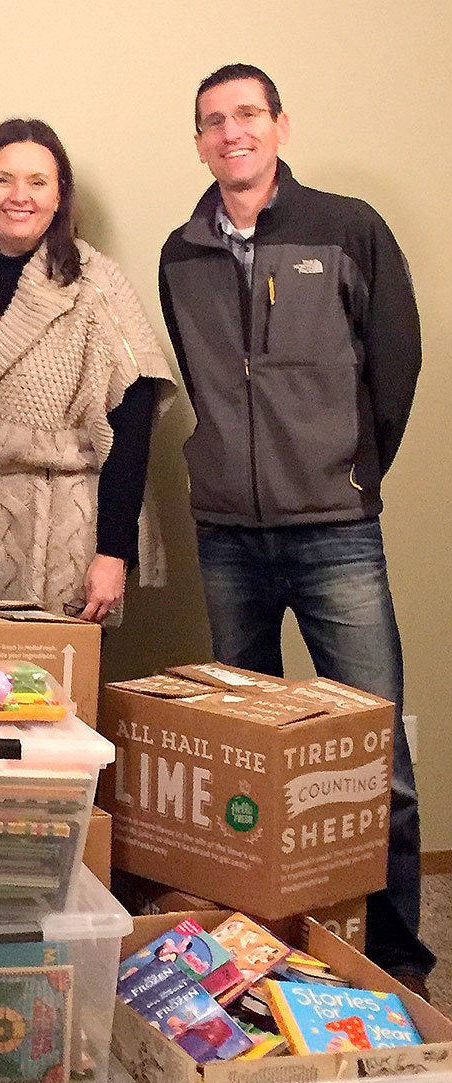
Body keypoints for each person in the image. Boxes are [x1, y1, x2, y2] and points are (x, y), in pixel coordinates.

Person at [159, 63, 432, 990]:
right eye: (212, 121)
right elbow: (203, 382)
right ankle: (261, 954)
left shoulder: (345, 226)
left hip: (335, 531)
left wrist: (351, 471)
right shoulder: (179, 253)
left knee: (376, 758)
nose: (231, 132)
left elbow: (396, 362)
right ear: (198, 141)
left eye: (247, 115)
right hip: (228, 534)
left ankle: (398, 960)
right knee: (245, 765)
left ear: (279, 124)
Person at [0, 119, 176, 624]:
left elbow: (133, 423)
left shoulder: (97, 286)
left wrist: (114, 553)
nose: (19, 196)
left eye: (37, 182)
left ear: (59, 198)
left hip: (69, 532)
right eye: (3, 179)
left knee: (57, 697)